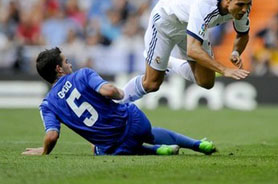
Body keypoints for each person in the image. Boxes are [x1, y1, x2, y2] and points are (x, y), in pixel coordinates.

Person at [22, 47, 217, 156]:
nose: (69, 63)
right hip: (134, 122)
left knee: (98, 149)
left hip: (114, 146)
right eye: (66, 61)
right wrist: (119, 94)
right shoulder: (82, 74)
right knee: (148, 133)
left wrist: (44, 151)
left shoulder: (47, 104)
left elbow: (52, 136)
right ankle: (197, 145)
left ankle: (158, 151)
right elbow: (108, 90)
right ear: (58, 69)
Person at [120, 0, 253, 104]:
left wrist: (236, 52)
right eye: (240, 5)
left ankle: (170, 62)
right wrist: (224, 69)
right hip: (166, 22)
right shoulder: (206, 5)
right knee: (152, 83)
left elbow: (242, 34)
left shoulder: (242, 4)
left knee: (206, 82)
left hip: (191, 25)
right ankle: (117, 103)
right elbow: (193, 49)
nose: (244, 9)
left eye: (247, 4)